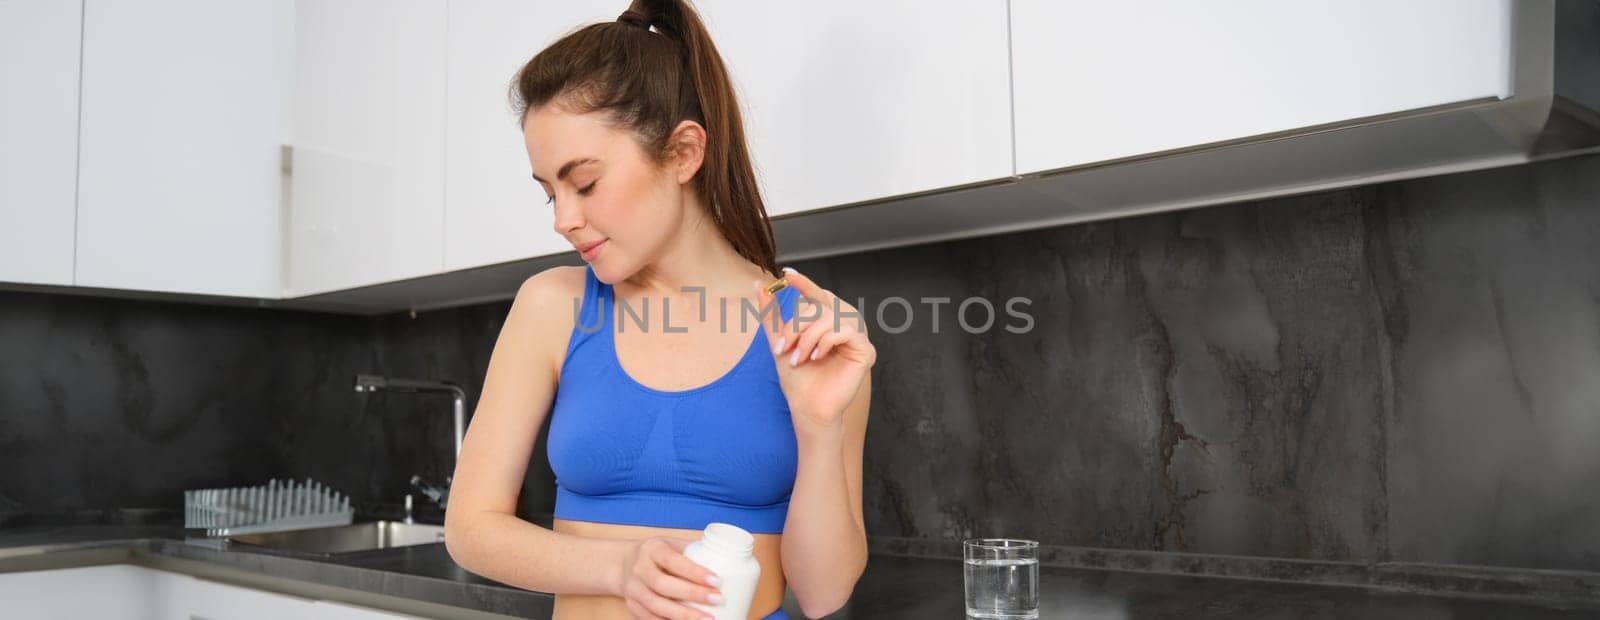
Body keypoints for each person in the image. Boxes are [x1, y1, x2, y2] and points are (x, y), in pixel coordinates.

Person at [442, 2, 875, 619]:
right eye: (549, 193)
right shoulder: (554, 306)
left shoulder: (807, 332)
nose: (564, 219)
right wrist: (618, 567)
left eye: (585, 183)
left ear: (682, 154)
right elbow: (471, 530)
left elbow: (824, 592)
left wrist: (819, 427)